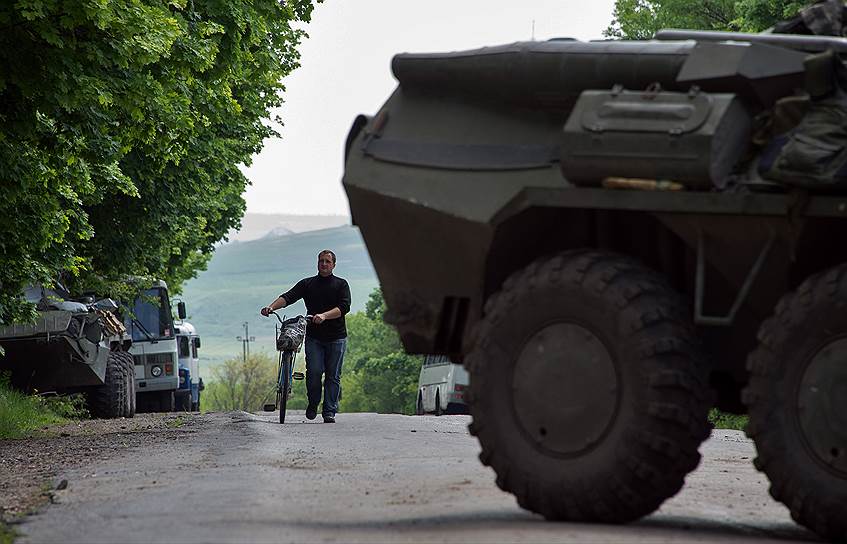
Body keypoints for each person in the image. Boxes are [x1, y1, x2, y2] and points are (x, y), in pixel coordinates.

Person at [260, 250, 351, 423]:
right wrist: (271, 308)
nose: (323, 264)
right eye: (321, 261)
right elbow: (288, 297)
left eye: (327, 261)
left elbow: (344, 307)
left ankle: (329, 411)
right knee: (314, 372)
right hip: (314, 338)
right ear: (317, 263)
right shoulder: (308, 284)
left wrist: (324, 316)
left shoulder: (341, 284)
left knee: (333, 375)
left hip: (336, 338)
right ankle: (313, 402)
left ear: (333, 265)